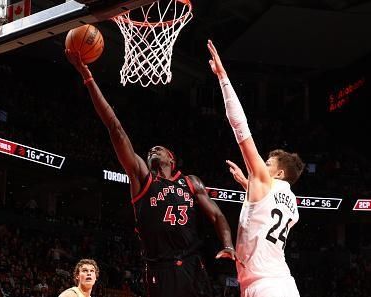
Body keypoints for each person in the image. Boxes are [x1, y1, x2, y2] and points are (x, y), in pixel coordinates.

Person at [65, 49, 241, 297]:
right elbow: (115, 128)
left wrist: (228, 245)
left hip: (192, 264)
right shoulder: (143, 179)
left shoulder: (190, 182)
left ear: (171, 157)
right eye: (149, 150)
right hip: (160, 268)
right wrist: (88, 78)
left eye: (158, 149)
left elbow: (217, 216)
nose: (152, 150)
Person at [207, 40, 305, 297]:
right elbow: (272, 213)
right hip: (283, 283)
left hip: (264, 287)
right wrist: (247, 186)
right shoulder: (292, 204)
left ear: (279, 173)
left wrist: (223, 78)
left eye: (268, 163)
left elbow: (241, 127)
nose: (263, 163)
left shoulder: (262, 179)